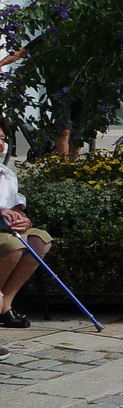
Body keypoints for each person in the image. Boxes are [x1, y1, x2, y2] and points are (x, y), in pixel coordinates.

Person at [0, 126, 51, 337]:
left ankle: (6, 304)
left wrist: (21, 216)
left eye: (2, 139)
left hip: (7, 227)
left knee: (40, 241)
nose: (0, 144)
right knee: (14, 247)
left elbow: (16, 202)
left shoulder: (6, 173)